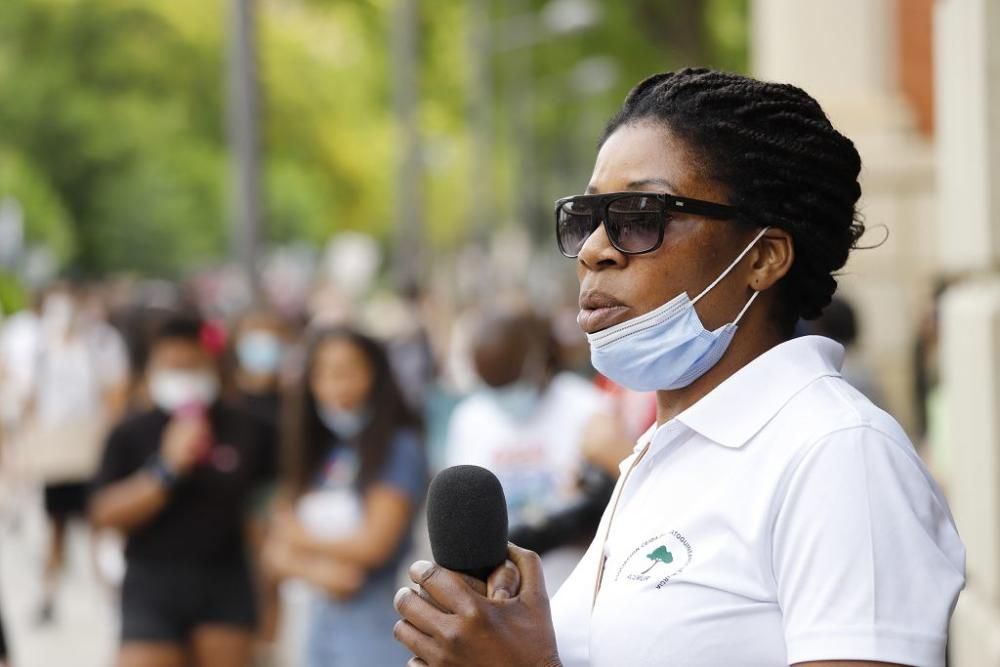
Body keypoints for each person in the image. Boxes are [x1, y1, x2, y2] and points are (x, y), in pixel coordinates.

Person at [393, 67, 965, 667]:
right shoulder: (659, 452)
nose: (594, 249)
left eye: (640, 216)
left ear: (763, 258)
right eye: (586, 219)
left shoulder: (839, 453)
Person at [90, 314, 273, 667]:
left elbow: (268, 509)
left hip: (225, 581)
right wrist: (167, 468)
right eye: (174, 366)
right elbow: (103, 513)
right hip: (150, 582)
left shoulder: (246, 428)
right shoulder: (129, 433)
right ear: (152, 368)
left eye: (194, 366)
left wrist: (269, 599)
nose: (184, 376)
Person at [262, 326, 426, 667]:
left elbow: (373, 545)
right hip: (317, 621)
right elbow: (274, 551)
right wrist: (321, 572)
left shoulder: (398, 448)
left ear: (375, 375)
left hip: (377, 625)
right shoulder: (320, 451)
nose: (335, 386)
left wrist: (299, 541)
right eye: (322, 374)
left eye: (346, 372)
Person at [444, 310, 612, 590]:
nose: (507, 397)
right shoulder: (470, 417)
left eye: (513, 383)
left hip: (573, 582)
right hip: (500, 589)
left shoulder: (585, 407)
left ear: (537, 360)